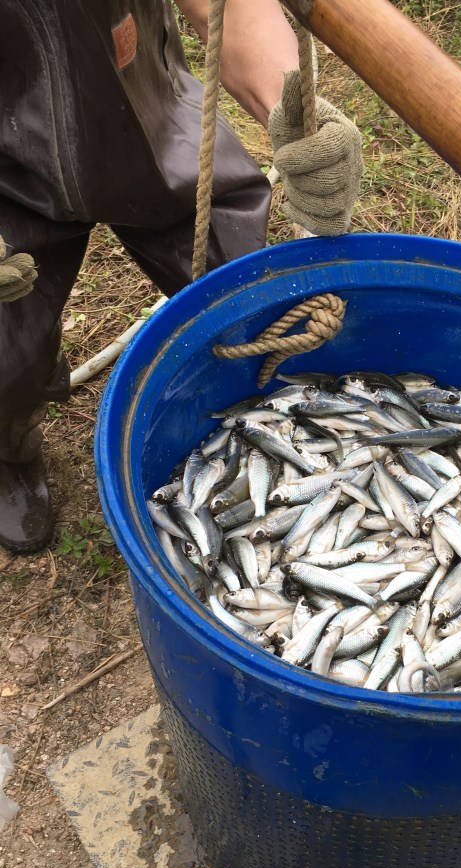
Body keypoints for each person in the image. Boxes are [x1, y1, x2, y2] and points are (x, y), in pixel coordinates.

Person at [0, 0, 363, 553]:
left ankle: (283, 421)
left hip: (148, 119)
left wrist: (288, 105)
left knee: (244, 289)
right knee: (6, 358)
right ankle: (9, 445)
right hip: (6, 179)